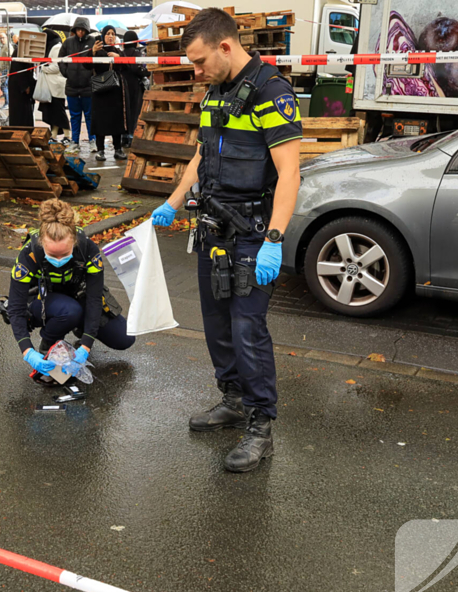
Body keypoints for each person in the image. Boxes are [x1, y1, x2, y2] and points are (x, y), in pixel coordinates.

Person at [151, 8, 302, 473]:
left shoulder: (272, 94)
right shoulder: (216, 93)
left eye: (199, 62)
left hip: (255, 235)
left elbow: (290, 173)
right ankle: (233, 400)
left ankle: (260, 426)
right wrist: (174, 201)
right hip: (213, 230)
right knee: (217, 325)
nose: (196, 73)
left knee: (247, 330)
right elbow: (202, 153)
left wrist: (275, 239)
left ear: (225, 46)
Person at [5, 199, 135, 385]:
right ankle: (47, 345)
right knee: (70, 310)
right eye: (52, 255)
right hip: (42, 302)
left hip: (77, 296)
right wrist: (27, 351)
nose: (59, 260)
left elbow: (94, 299)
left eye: (65, 254)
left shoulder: (88, 249)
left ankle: (77, 325)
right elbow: (16, 308)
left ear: (74, 242)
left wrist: (85, 346)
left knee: (124, 338)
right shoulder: (30, 254)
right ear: (42, 243)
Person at [88, 26, 128, 161]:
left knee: (116, 121)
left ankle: (118, 149)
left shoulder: (118, 51)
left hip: (115, 92)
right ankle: (101, 150)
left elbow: (127, 66)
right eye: (108, 34)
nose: (111, 36)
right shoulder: (97, 50)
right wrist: (92, 52)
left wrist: (119, 57)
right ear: (103, 36)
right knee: (100, 122)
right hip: (100, 92)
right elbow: (85, 65)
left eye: (113, 34)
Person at [59, 17, 96, 155]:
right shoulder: (68, 42)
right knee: (74, 116)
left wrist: (91, 75)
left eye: (83, 29)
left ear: (87, 30)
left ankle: (93, 140)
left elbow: (98, 59)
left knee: (90, 116)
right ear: (74, 29)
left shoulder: (93, 42)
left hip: (88, 86)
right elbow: (60, 59)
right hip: (72, 86)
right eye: (78, 29)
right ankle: (74, 142)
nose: (80, 32)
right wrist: (67, 73)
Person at [37, 29, 70, 141]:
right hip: (51, 86)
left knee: (59, 112)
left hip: (56, 86)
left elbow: (57, 67)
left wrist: (43, 68)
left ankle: (67, 135)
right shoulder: (52, 47)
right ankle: (54, 136)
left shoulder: (56, 48)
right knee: (54, 113)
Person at [121, 30, 149, 148]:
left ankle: (125, 137)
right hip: (135, 86)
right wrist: (147, 72)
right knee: (135, 111)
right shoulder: (136, 54)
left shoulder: (121, 54)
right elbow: (138, 69)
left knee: (125, 111)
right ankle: (133, 137)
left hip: (123, 86)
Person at [7, 34, 36, 127]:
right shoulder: (20, 51)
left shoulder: (21, 50)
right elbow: (18, 70)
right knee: (21, 113)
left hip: (19, 88)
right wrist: (25, 86)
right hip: (20, 90)